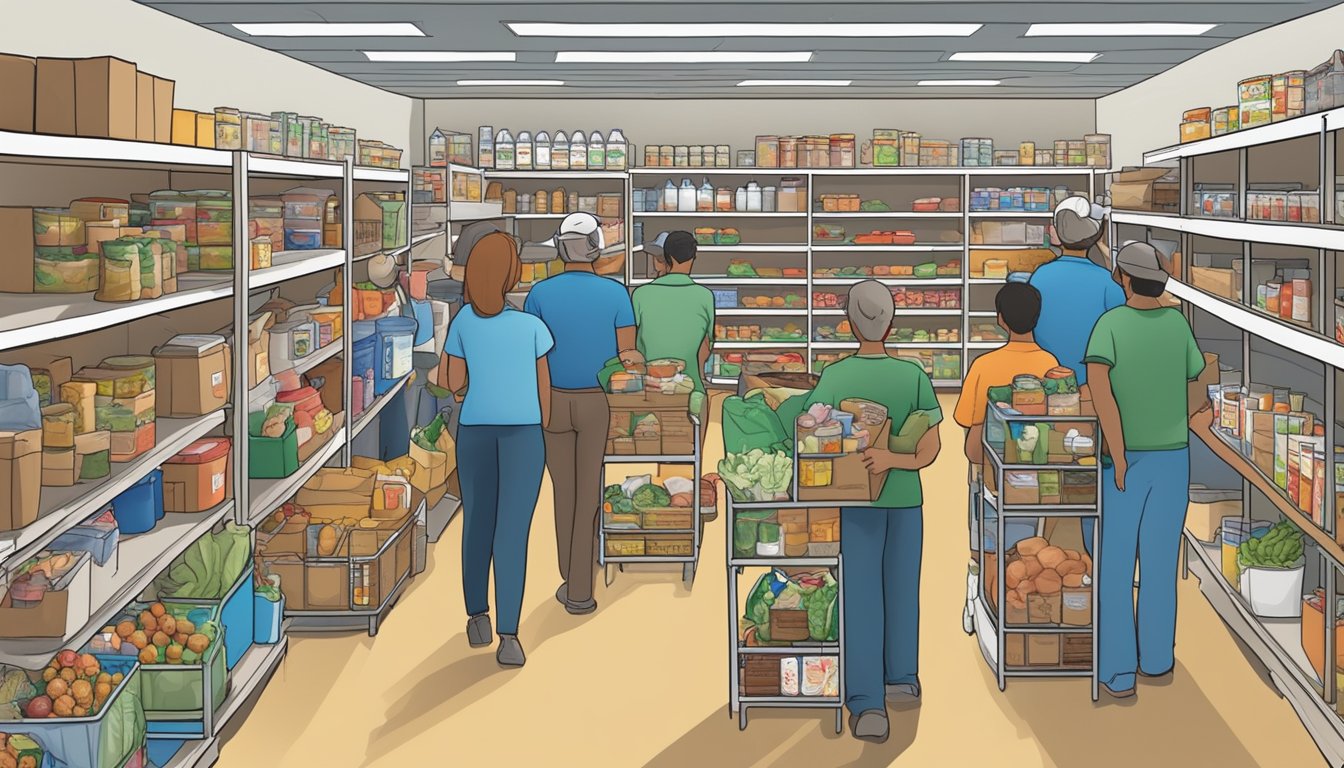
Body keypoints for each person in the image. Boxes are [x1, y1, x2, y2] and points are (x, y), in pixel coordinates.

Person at [804, 280, 942, 743]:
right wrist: (895, 460)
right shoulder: (914, 377)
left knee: (860, 597)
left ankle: (866, 706)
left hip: (853, 503)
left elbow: (807, 436)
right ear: (892, 322)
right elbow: (930, 449)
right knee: (903, 590)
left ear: (848, 322)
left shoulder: (834, 376)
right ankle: (901, 677)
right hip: (905, 500)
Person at [1085, 242, 1206, 699]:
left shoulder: (1110, 326)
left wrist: (1116, 454)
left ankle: (1117, 670)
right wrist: (1187, 415)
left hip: (1127, 459)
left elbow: (1102, 395)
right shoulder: (1178, 325)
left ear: (1124, 279)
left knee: (1115, 565)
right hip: (1174, 458)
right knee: (1158, 564)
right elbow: (1197, 381)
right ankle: (1156, 658)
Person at [445, 231, 553, 668]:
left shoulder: (462, 323)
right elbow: (544, 392)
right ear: (512, 275)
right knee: (513, 532)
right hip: (523, 436)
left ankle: (477, 617)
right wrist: (535, 424)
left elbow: (453, 383)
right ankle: (509, 635)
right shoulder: (531, 327)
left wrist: (471, 389)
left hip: (475, 433)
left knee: (477, 525)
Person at [524, 213, 640, 616]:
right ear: (596, 247)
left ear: (560, 248)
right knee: (589, 490)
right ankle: (580, 589)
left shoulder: (539, 293)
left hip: (552, 401)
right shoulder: (616, 294)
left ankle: (568, 574)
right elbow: (627, 356)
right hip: (597, 402)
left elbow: (533, 356)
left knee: (564, 492)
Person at [952, 282, 1060, 632]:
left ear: (1000, 319)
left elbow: (970, 431)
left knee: (986, 548)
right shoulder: (1050, 365)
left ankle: (981, 604)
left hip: (989, 480)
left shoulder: (985, 365)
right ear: (1039, 318)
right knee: (1029, 549)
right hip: (1036, 483)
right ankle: (1022, 616)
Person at [1029, 195, 1125, 388]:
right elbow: (1121, 333)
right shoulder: (1107, 282)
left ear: (1057, 233)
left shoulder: (1040, 276)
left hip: (1047, 378)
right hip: (1094, 383)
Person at [632, 230, 714, 399]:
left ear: (667, 257)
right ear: (693, 258)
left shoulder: (641, 294)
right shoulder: (705, 296)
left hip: (648, 389)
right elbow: (705, 346)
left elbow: (632, 345)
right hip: (691, 389)